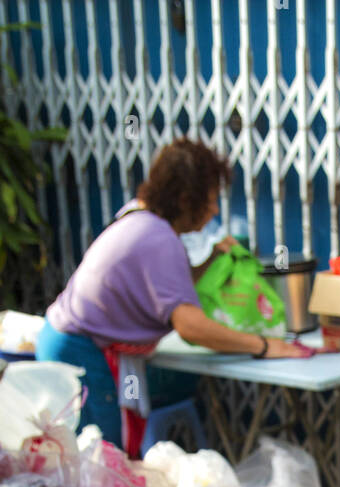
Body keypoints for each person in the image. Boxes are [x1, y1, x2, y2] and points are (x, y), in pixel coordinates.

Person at [36, 137, 304, 447]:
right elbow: (190, 327)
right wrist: (264, 346)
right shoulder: (159, 239)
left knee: (92, 465)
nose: (214, 210)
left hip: (63, 341)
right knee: (100, 467)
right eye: (212, 199)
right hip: (79, 352)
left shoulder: (139, 216)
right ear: (186, 200)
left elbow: (169, 286)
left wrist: (212, 259)